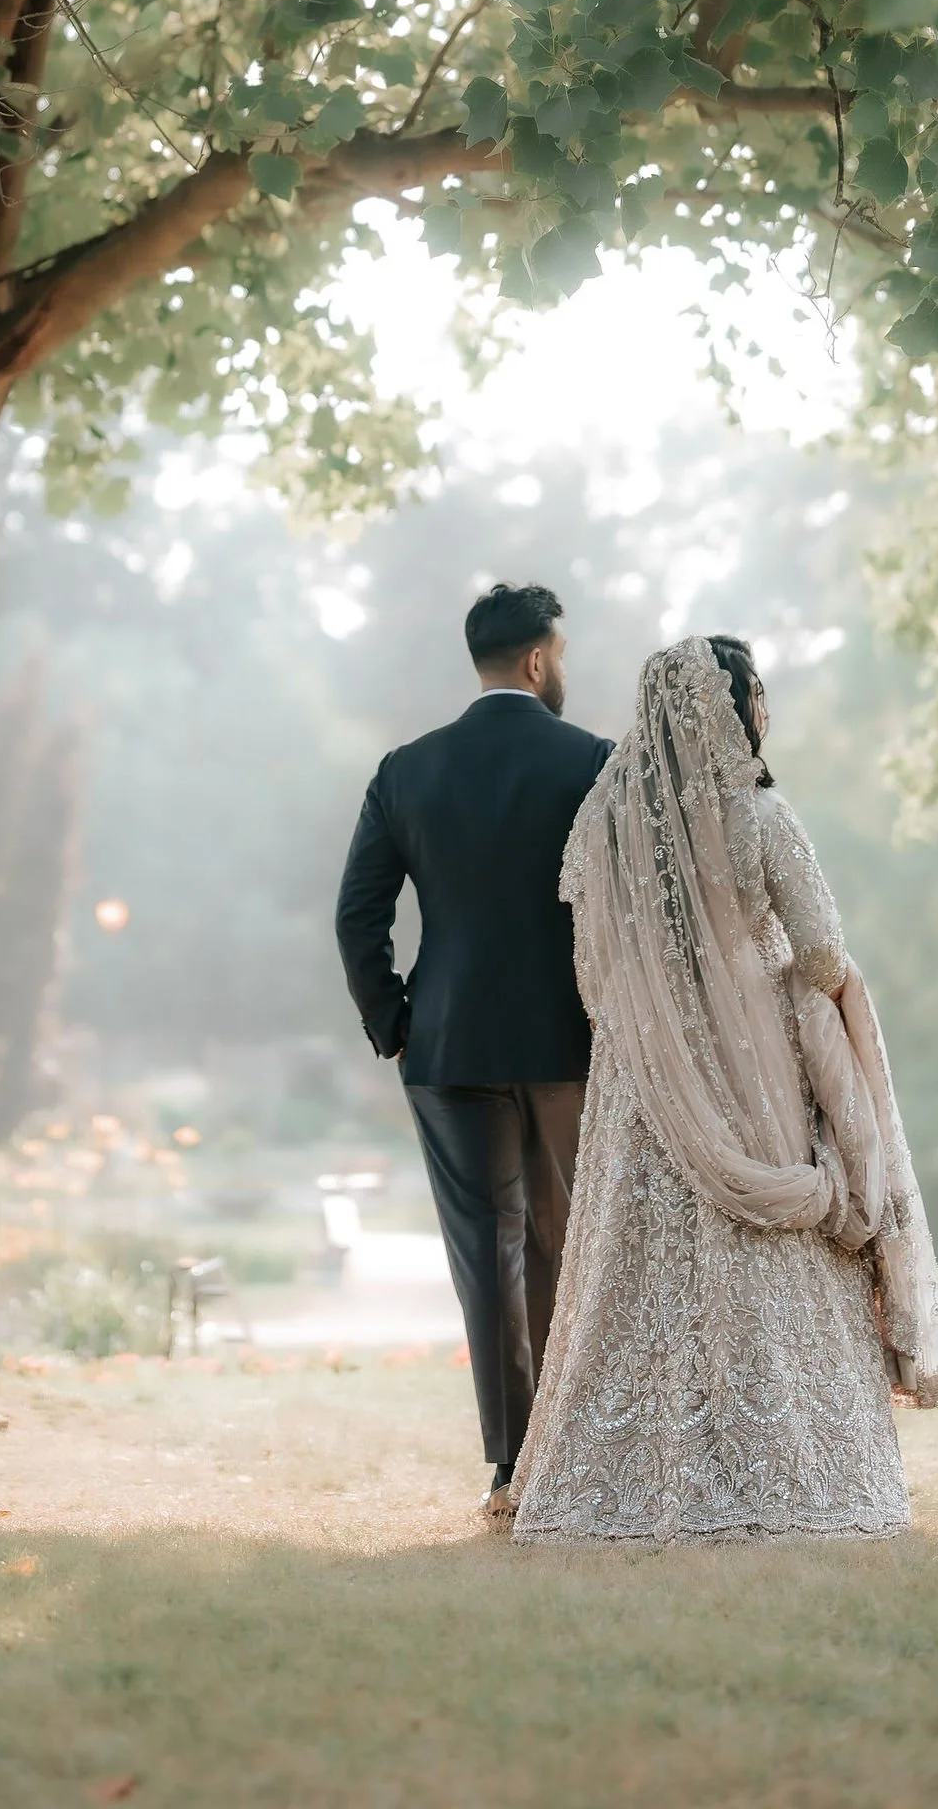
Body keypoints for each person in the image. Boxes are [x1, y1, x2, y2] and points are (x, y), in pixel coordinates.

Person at [509, 633, 938, 1546]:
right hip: (753, 1073)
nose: (763, 710)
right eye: (755, 693)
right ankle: (790, 1468)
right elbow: (823, 953)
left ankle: (621, 1474)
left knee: (640, 1268)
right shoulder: (758, 815)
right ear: (727, 709)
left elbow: (596, 972)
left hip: (647, 1088)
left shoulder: (602, 828)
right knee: (762, 1252)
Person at [335, 581, 613, 1519]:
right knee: (563, 1243)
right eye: (561, 655)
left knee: (485, 1261)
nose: (562, 669)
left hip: (447, 1044)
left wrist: (394, 1020)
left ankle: (511, 1466)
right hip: (569, 1042)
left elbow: (358, 916)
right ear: (537, 659)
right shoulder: (594, 762)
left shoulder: (406, 770)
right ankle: (576, 1455)